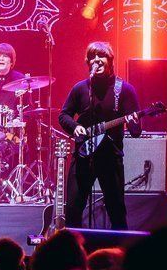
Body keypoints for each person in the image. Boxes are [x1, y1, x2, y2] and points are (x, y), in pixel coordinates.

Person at [58, 41, 139, 230]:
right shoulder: (81, 88)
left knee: (117, 212)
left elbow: (136, 132)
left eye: (101, 56)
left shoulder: (124, 89)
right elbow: (64, 115)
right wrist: (75, 127)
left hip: (110, 158)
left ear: (110, 60)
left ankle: (118, 248)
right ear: (88, 63)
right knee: (73, 211)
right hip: (83, 156)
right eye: (92, 57)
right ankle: (74, 247)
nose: (97, 60)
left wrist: (134, 122)